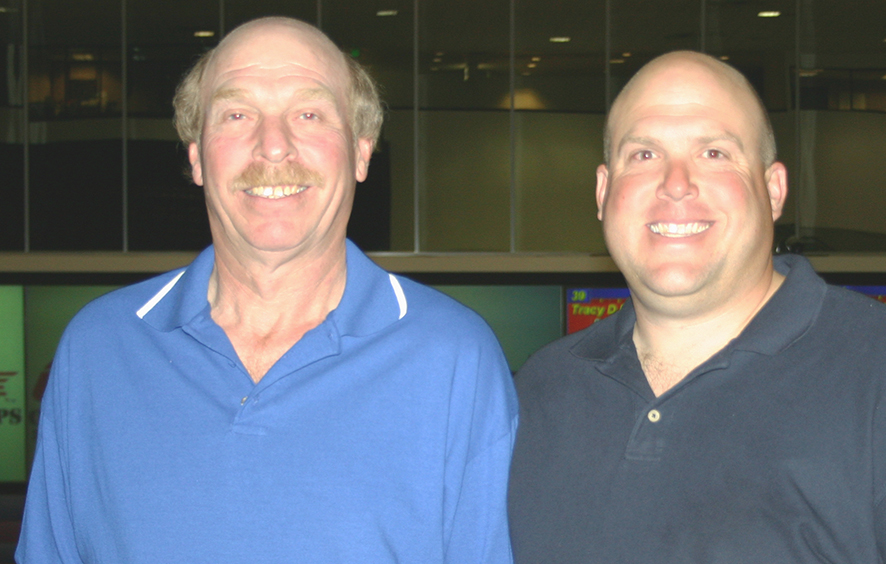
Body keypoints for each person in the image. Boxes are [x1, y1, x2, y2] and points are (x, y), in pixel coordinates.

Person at [17, 17, 517, 564]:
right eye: (237, 114)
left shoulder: (454, 359)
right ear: (196, 156)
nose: (273, 147)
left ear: (361, 152)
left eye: (309, 114)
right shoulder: (98, 350)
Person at [508, 51, 886, 563]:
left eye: (715, 153)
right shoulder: (540, 393)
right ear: (604, 192)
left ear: (773, 190)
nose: (676, 183)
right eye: (645, 155)